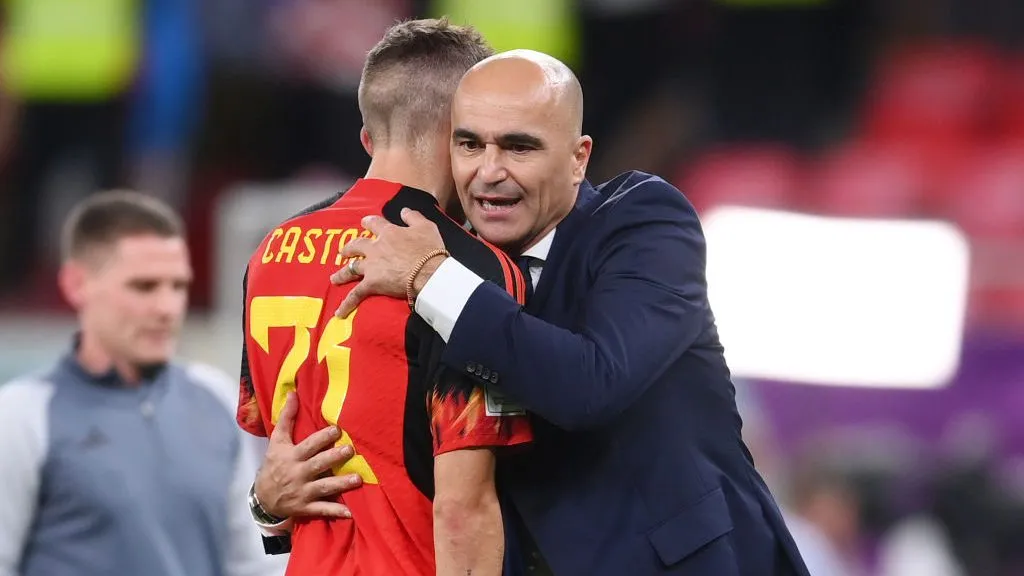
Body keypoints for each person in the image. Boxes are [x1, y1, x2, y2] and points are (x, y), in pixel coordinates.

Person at [324, 49, 813, 576]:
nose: (489, 171)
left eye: (519, 147)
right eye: (469, 144)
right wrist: (274, 500)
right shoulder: (448, 268)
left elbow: (591, 384)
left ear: (578, 158)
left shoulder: (643, 222)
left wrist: (432, 276)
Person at [237, 18, 532, 576]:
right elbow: (464, 509)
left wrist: (263, 505)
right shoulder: (459, 265)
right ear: (461, 134)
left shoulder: (268, 254)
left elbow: (271, 456)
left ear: (368, 138)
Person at [0, 190, 282, 576]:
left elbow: (252, 564)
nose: (167, 308)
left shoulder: (215, 398)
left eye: (177, 286)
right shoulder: (21, 416)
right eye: (144, 287)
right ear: (77, 284)